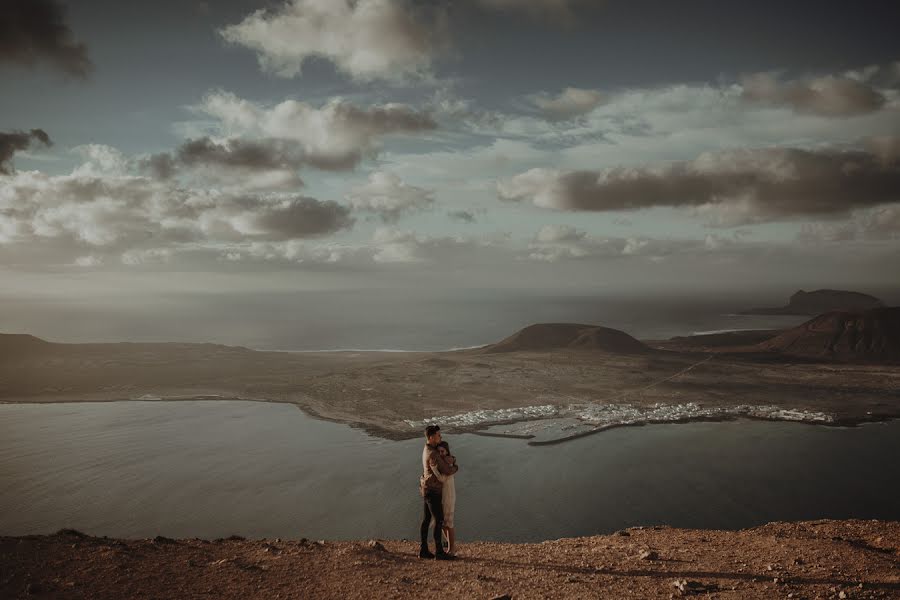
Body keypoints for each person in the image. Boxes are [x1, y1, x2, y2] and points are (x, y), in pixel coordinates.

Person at [419, 425, 457, 560]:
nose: (440, 437)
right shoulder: (433, 453)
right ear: (431, 437)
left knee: (427, 520)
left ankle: (424, 549)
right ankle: (439, 552)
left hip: (426, 489)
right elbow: (446, 470)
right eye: (438, 435)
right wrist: (455, 466)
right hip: (433, 490)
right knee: (439, 520)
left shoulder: (426, 449)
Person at [430, 441, 457, 555]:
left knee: (448, 523)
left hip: (448, 497)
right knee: (442, 523)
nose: (441, 453)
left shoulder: (448, 464)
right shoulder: (446, 462)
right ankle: (450, 545)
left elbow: (442, 479)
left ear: (447, 451)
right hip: (444, 496)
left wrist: (434, 468)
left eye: (443, 451)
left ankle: (452, 549)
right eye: (439, 451)